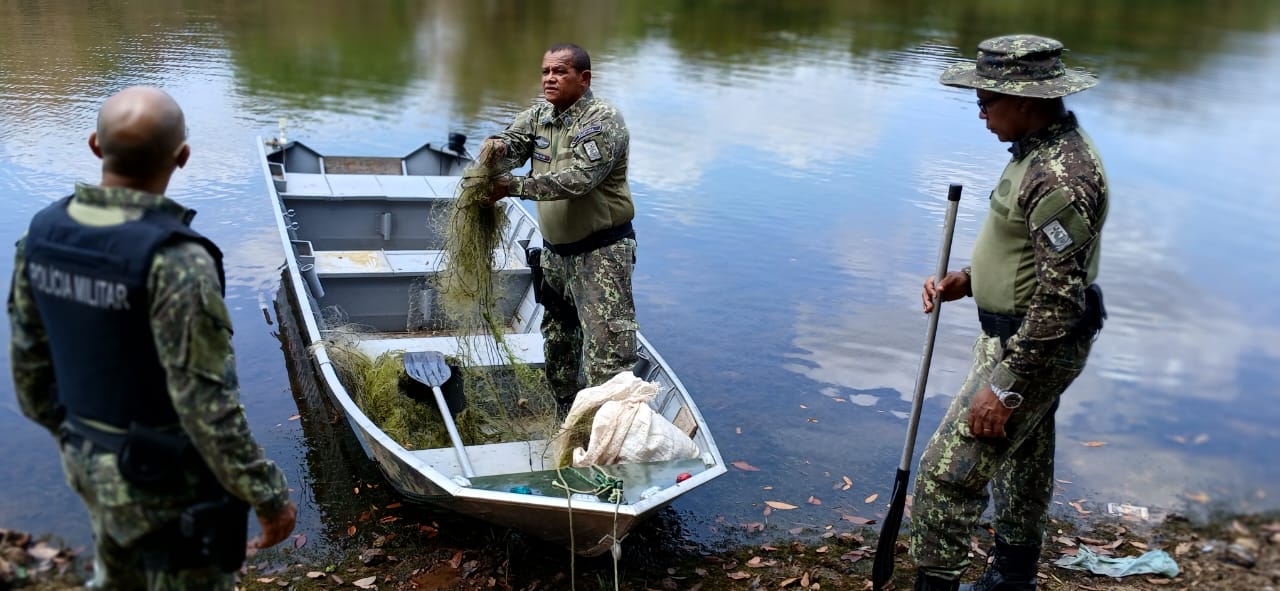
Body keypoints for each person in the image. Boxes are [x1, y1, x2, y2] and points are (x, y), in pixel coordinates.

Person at [8, 86, 297, 590]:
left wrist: (82, 442)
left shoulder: (41, 235)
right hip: (167, 482)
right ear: (182, 157)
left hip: (85, 457)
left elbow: (30, 374)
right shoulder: (177, 261)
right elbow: (206, 405)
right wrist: (270, 496)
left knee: (117, 574)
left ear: (95, 146)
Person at [909, 36, 1109, 591]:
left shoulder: (1060, 177)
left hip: (1031, 347)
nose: (979, 111)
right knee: (1021, 462)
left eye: (986, 99)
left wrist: (1007, 385)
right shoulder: (1035, 153)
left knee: (947, 478)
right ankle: (1013, 579)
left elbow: (1059, 298)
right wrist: (970, 282)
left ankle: (937, 584)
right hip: (1016, 336)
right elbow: (1032, 258)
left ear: (1025, 101)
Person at [481, 42, 639, 406]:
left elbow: (580, 180)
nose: (549, 79)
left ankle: (610, 433)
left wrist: (513, 187)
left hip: (601, 256)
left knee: (606, 352)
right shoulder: (540, 116)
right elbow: (514, 142)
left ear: (583, 79)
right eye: (545, 72)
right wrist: (498, 148)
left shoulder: (602, 120)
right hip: (555, 255)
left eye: (559, 72)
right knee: (559, 340)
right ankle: (567, 414)